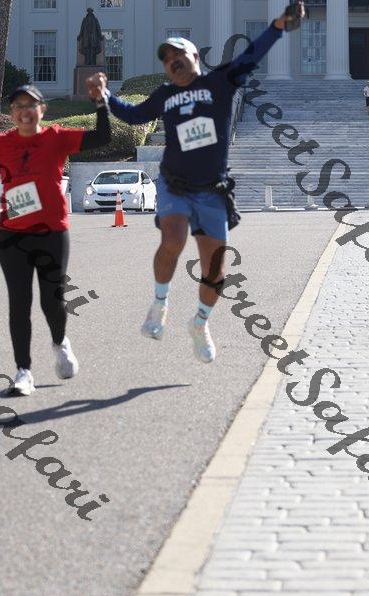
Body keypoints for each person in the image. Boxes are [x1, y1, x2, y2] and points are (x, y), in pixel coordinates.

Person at [86, 3, 305, 364]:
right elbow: (135, 114)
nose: (172, 62)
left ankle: (200, 323)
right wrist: (105, 96)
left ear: (195, 57)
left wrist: (279, 25)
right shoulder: (164, 94)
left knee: (215, 271)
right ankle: (160, 304)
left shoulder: (219, 81)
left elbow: (252, 54)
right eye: (166, 59)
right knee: (173, 238)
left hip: (212, 191)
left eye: (178, 55)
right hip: (175, 183)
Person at [0, 83, 111, 395]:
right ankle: (23, 371)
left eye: (31, 105)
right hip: (13, 237)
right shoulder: (1, 145)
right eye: (18, 106)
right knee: (19, 303)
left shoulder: (56, 138)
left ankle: (60, 342)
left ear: (42, 110)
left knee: (52, 301)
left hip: (52, 234)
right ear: (11, 113)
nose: (25, 111)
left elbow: (103, 138)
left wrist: (101, 103)